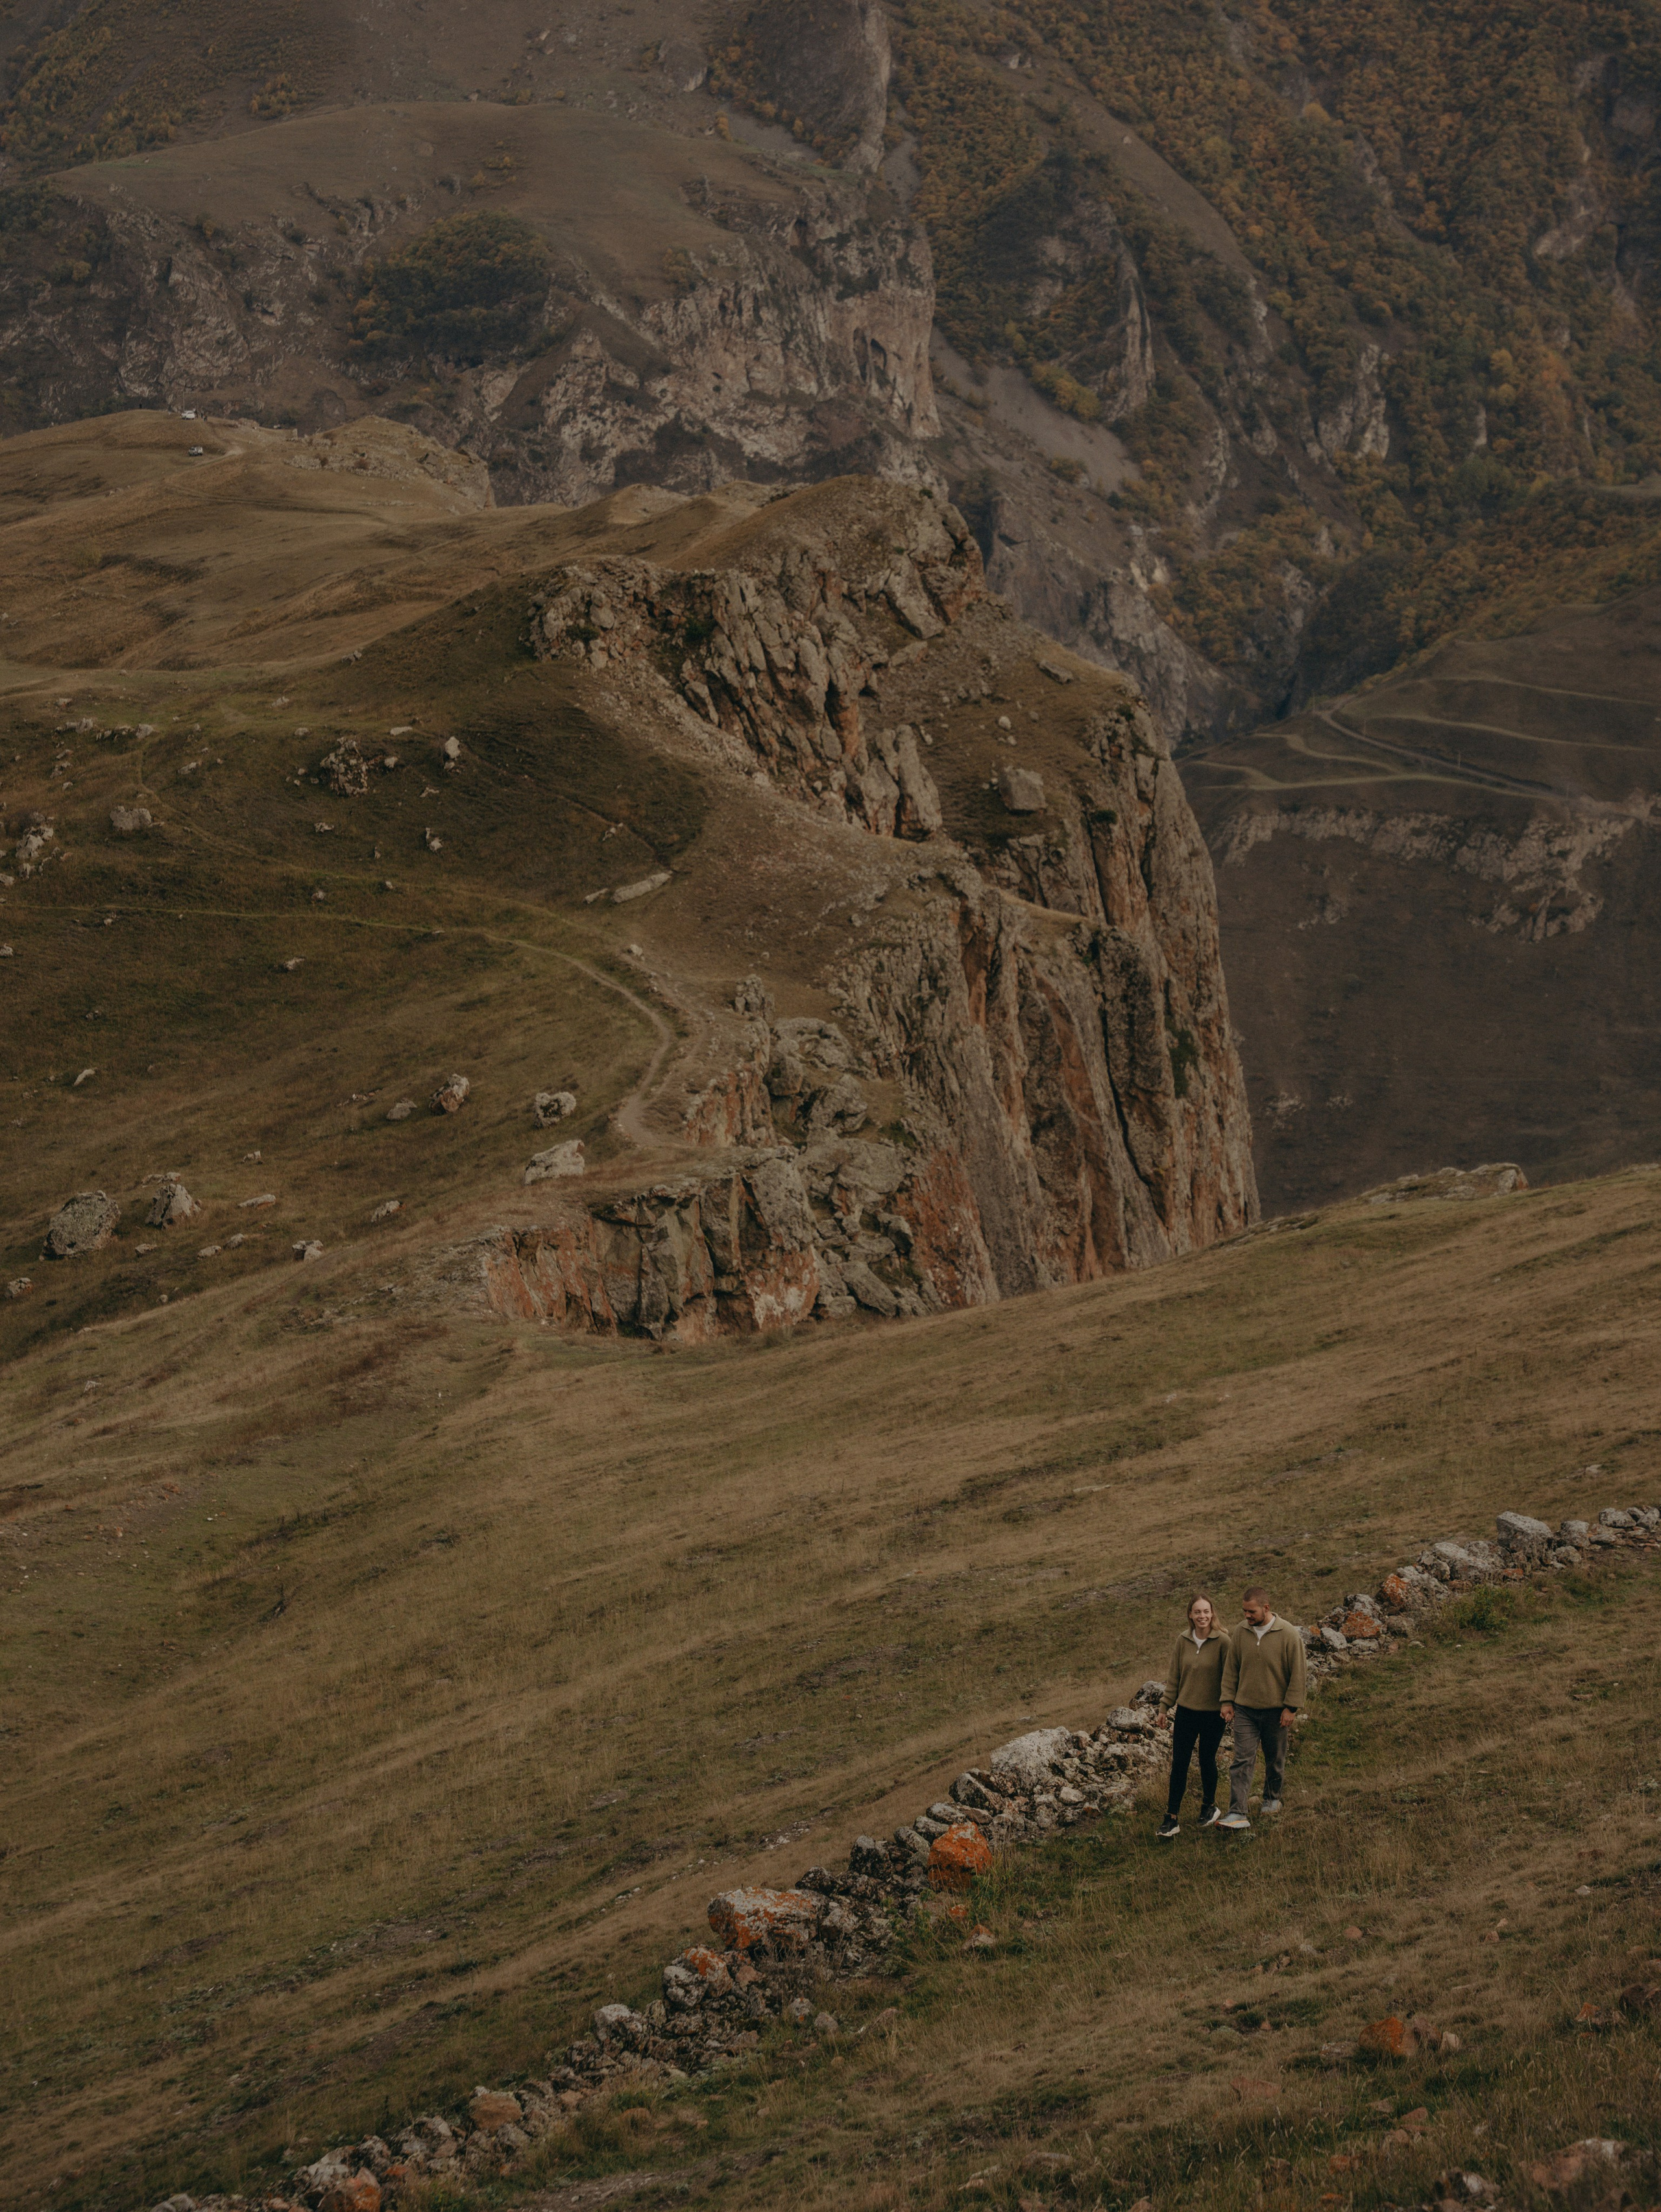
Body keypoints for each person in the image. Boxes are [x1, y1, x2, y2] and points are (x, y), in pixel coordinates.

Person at [1218, 1585, 1307, 1831]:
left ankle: (1271, 1799)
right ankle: (1237, 1812)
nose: (1247, 1616)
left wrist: (1291, 1708)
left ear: (1266, 1608)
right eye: (1244, 1611)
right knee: (1242, 1759)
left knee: (1274, 1758)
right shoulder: (1240, 1632)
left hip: (1276, 1711)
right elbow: (1231, 1669)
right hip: (1245, 1709)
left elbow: (1298, 1675)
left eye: (1251, 1612)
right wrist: (1227, 1701)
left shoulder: (1288, 1634)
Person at [1155, 1593, 1230, 1838]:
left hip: (1213, 1713)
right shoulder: (1183, 1640)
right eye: (1197, 1612)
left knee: (1207, 1760)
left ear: (1212, 1613)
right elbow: (1175, 1676)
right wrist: (1165, 1706)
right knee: (1180, 1763)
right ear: (1190, 1615)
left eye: (1206, 1611)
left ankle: (1209, 1806)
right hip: (1186, 1712)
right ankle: (1171, 1817)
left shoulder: (1223, 1641)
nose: (1202, 1616)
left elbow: (1230, 1678)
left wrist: (1229, 1704)